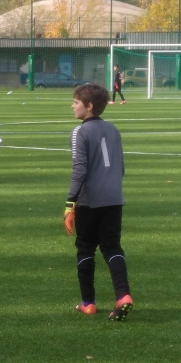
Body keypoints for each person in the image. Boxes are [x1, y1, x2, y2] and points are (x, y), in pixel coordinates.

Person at [64, 83, 132, 320]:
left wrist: (70, 203)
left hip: (89, 202)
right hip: (114, 199)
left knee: (85, 248)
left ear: (89, 106)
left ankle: (88, 303)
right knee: (112, 247)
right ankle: (123, 296)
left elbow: (79, 169)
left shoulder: (79, 132)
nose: (72, 106)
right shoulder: (113, 129)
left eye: (76, 102)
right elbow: (120, 168)